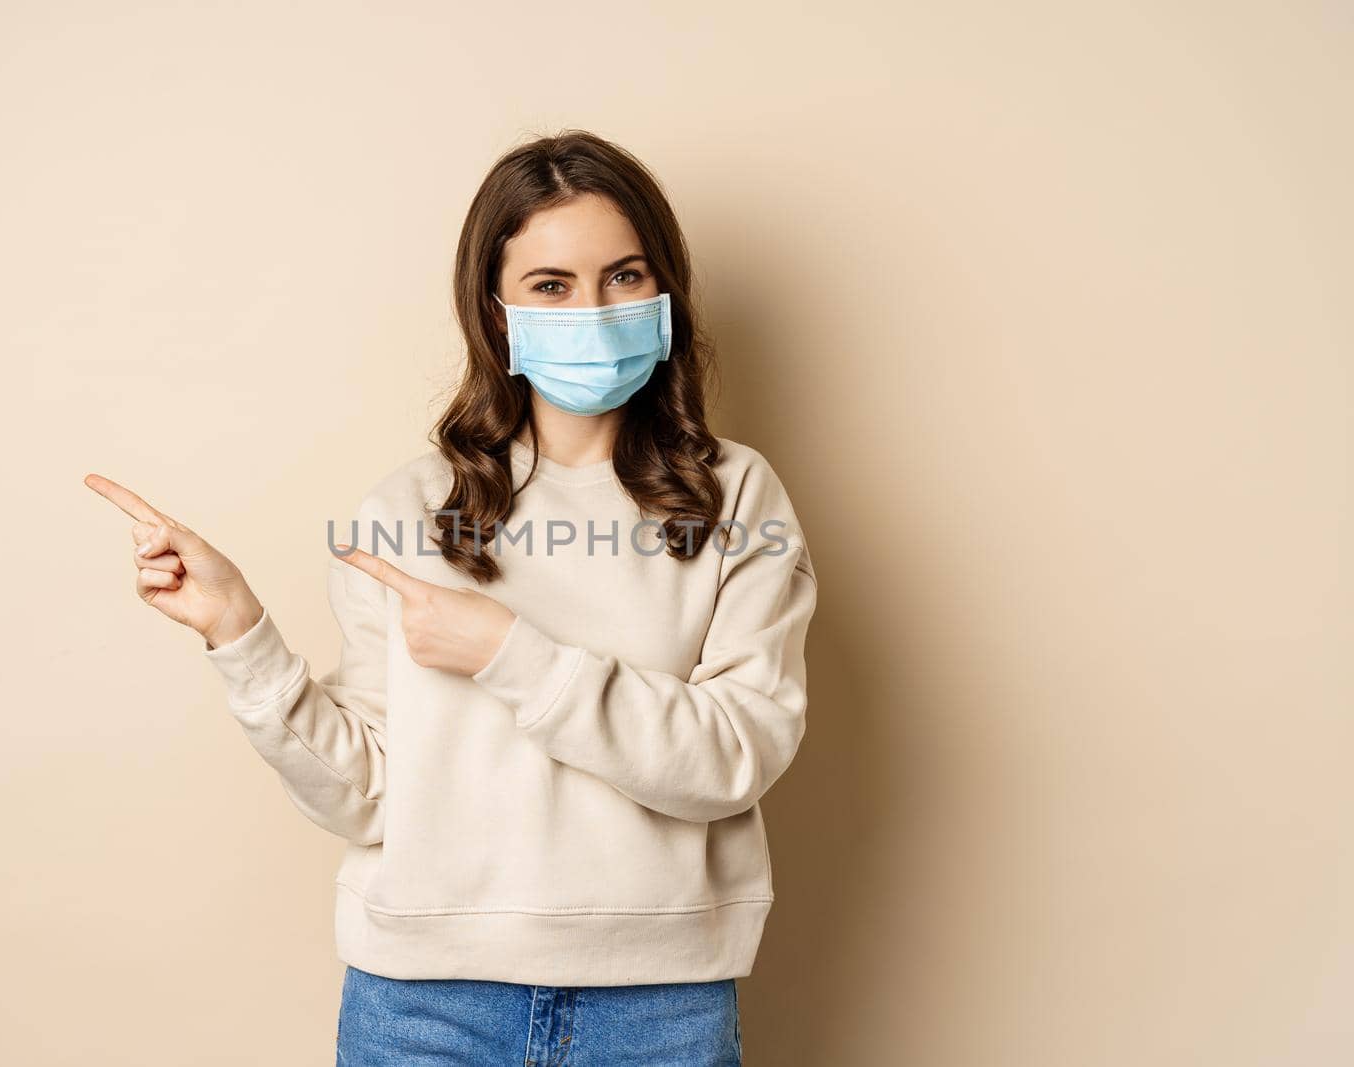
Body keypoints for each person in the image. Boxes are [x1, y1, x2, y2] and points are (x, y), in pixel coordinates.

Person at [85, 130, 817, 1066]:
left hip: (658, 1011)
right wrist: (240, 632)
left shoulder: (737, 498)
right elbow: (372, 795)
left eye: (624, 276)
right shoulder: (407, 509)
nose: (592, 309)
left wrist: (512, 653)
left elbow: (733, 756)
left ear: (664, 290)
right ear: (497, 309)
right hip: (422, 1008)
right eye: (551, 285)